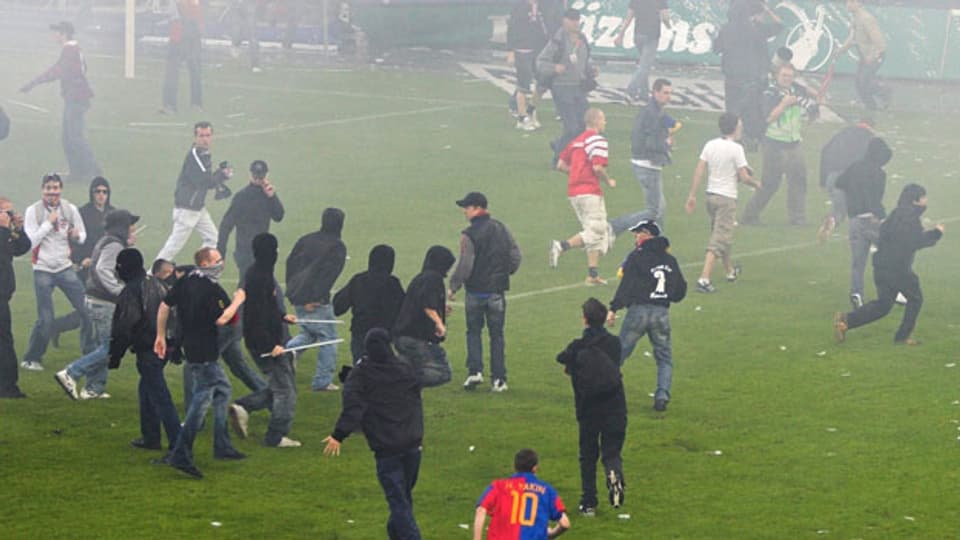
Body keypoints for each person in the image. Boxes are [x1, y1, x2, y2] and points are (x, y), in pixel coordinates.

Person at [323, 328, 424, 540]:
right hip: (412, 443)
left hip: (387, 447)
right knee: (402, 497)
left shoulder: (361, 374)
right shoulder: (405, 368)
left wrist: (338, 435)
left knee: (398, 500)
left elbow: (353, 407)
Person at [155, 247, 246, 479]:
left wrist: (160, 336)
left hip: (191, 347)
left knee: (223, 389)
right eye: (217, 260)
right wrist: (238, 300)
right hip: (205, 352)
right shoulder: (211, 289)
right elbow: (223, 318)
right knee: (201, 400)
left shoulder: (187, 280)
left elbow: (165, 305)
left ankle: (222, 445)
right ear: (205, 263)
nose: (222, 263)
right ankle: (181, 453)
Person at [834, 184, 942, 345]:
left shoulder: (896, 214)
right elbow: (914, 242)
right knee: (916, 299)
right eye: (924, 197)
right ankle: (903, 337)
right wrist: (936, 233)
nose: (926, 200)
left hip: (882, 266)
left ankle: (846, 321)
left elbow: (887, 235)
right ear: (916, 201)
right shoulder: (910, 219)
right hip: (898, 269)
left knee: (883, 305)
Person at [224, 233, 302, 448]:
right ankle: (275, 437)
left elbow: (264, 310)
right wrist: (272, 345)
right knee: (286, 392)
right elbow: (257, 316)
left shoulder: (257, 273)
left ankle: (244, 407)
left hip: (263, 339)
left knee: (281, 387)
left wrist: (282, 317)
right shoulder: (261, 277)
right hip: (266, 343)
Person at [54, 210, 139, 400]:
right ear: (122, 226)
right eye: (130, 224)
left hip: (94, 300)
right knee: (109, 347)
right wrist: (121, 292)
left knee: (103, 346)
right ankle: (71, 373)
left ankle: (94, 388)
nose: (133, 228)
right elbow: (103, 270)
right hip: (104, 302)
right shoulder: (114, 245)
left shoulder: (108, 241)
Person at [556, 298, 626, 517]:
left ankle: (589, 503)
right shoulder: (614, 344)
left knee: (588, 455)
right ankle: (614, 472)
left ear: (584, 319)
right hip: (614, 404)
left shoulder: (576, 347)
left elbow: (562, 361)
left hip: (588, 408)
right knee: (611, 450)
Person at [607, 220, 686, 412]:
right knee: (664, 358)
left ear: (649, 235)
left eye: (638, 233)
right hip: (661, 313)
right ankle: (662, 396)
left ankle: (606, 392)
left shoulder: (636, 256)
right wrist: (668, 297)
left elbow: (626, 285)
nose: (636, 237)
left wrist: (614, 308)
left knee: (619, 354)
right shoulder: (670, 260)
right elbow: (680, 289)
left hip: (638, 312)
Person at [108, 252, 182, 452]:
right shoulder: (157, 283)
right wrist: (176, 347)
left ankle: (178, 444)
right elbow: (174, 314)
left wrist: (115, 355)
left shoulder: (131, 290)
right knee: (147, 390)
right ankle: (151, 437)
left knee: (160, 397)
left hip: (149, 348)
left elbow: (124, 326)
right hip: (166, 346)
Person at [449, 192, 522, 392]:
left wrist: (453, 286)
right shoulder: (501, 228)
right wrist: (506, 272)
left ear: (477, 208)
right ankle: (499, 379)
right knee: (497, 335)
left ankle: (475, 372)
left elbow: (465, 264)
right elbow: (516, 255)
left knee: (473, 332)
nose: (464, 211)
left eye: (467, 207)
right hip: (497, 291)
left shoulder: (468, 234)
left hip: (475, 292)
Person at [22, 173, 90, 371]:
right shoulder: (33, 211)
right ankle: (31, 358)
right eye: (48, 188)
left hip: (65, 267)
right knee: (46, 318)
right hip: (42, 268)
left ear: (61, 189)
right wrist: (47, 224)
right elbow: (30, 242)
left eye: (55, 188)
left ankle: (90, 353)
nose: (52, 192)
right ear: (42, 189)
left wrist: (77, 236)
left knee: (87, 310)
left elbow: (82, 235)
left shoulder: (70, 209)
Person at [684, 113, 759, 293]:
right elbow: (743, 176)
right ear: (734, 128)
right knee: (719, 239)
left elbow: (700, 170)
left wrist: (692, 195)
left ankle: (729, 271)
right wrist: (756, 183)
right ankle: (704, 279)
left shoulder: (710, 145)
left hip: (711, 197)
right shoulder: (736, 149)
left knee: (723, 234)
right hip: (727, 199)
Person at [19, 21, 102, 183]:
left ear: (63, 33)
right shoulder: (72, 49)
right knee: (68, 137)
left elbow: (57, 71)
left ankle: (93, 172)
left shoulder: (70, 49)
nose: (53, 35)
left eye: (55, 32)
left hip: (76, 98)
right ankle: (77, 172)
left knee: (74, 137)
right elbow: (78, 68)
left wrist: (34, 83)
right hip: (75, 97)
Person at [741, 63, 819, 226]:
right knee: (770, 183)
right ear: (777, 76)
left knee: (798, 180)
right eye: (784, 76)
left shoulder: (795, 90)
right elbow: (768, 118)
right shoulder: (770, 93)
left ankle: (797, 218)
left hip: (794, 142)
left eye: (790, 76)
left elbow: (814, 97)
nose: (787, 79)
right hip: (773, 143)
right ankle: (750, 214)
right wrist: (784, 104)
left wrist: (814, 108)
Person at [548, 108, 616, 285]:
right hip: (589, 191)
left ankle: (592, 275)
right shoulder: (598, 140)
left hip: (574, 192)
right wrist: (609, 181)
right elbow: (598, 168)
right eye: (604, 120)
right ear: (596, 121)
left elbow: (560, 165)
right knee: (597, 230)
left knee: (591, 230)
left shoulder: (576, 141)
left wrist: (576, 173)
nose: (605, 123)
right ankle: (562, 246)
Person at [285, 207, 347, 392]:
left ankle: (288, 353)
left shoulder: (306, 239)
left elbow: (290, 263)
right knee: (329, 339)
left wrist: (293, 291)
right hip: (315, 301)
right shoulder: (337, 246)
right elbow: (328, 276)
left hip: (297, 295)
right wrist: (315, 298)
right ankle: (322, 382)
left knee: (309, 333)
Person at [50, 176, 114, 348]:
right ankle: (89, 346)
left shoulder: (113, 214)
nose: (101, 195)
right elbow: (74, 239)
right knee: (88, 309)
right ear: (92, 193)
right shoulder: (82, 213)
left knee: (97, 308)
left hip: (106, 268)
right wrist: (80, 259)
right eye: (97, 191)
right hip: (86, 267)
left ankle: (57, 327)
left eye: (104, 192)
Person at [156, 121, 232, 263]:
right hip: (187, 209)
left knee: (213, 238)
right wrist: (221, 175)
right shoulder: (195, 156)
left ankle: (203, 269)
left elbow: (206, 180)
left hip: (196, 207)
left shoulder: (204, 154)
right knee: (173, 246)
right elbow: (204, 181)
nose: (205, 139)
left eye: (208, 135)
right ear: (195, 138)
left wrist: (220, 175)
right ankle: (151, 275)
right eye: (201, 135)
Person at [609, 78, 674, 237]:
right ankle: (615, 225)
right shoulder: (652, 114)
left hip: (645, 163)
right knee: (654, 211)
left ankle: (657, 242)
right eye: (665, 93)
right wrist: (666, 143)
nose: (669, 97)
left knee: (660, 208)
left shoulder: (652, 111)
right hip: (648, 165)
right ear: (655, 92)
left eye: (670, 93)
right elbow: (651, 143)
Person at [714, 1, 782, 149]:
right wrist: (767, 11)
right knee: (751, 110)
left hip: (732, 76)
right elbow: (778, 26)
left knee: (732, 109)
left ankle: (730, 138)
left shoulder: (726, 29)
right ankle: (753, 139)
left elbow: (716, 48)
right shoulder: (754, 29)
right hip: (751, 77)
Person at [835, 137, 891, 309]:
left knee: (858, 262)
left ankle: (856, 293)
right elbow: (874, 199)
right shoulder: (879, 174)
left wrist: (853, 196)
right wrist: (882, 216)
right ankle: (895, 290)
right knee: (892, 253)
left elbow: (839, 183)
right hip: (871, 220)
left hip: (855, 220)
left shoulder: (855, 167)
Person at [538, 9, 597, 167]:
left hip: (579, 87)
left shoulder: (582, 39)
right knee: (571, 128)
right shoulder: (557, 41)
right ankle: (557, 159)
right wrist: (554, 68)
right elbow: (540, 63)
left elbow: (585, 60)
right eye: (571, 19)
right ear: (564, 21)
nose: (575, 22)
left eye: (577, 19)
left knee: (585, 125)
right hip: (562, 87)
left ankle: (559, 144)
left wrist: (591, 69)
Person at [393, 245, 456, 388]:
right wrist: (439, 323)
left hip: (402, 336)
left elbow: (419, 302)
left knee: (407, 369)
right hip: (416, 337)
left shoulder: (421, 278)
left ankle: (398, 389)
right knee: (442, 372)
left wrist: (441, 309)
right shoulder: (434, 279)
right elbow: (428, 305)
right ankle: (402, 385)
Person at [473, 448, 571, 538]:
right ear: (535, 468)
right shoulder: (547, 490)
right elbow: (565, 523)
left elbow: (481, 510)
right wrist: (551, 534)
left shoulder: (498, 486)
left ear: (515, 466)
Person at [333, 244, 405, 363]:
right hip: (385, 334)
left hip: (361, 332)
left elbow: (338, 306)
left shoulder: (358, 280)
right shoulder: (393, 283)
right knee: (383, 368)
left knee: (361, 367)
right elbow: (404, 309)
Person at [217, 159, 285, 276]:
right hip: (245, 251)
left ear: (266, 175)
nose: (259, 178)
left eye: (261, 175)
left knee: (263, 287)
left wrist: (272, 197)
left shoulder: (267, 195)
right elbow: (226, 226)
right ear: (251, 174)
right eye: (256, 175)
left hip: (262, 250)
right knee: (247, 286)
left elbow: (278, 216)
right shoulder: (241, 197)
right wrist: (220, 253)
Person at [815, 118, 876, 244]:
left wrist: (822, 180)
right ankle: (841, 225)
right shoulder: (869, 139)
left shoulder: (842, 133)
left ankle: (831, 221)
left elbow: (825, 151)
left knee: (839, 207)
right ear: (870, 127)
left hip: (832, 176)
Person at [0, 198, 32, 398]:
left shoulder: (5, 234)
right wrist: (4, 230)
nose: (9, 216)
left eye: (11, 212)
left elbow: (21, 248)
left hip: (3, 294)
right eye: (5, 212)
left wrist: (19, 229)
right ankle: (8, 386)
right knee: (5, 340)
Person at [835, 0, 889, 111]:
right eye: (847, 2)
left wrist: (872, 55)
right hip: (865, 56)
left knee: (863, 82)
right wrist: (840, 50)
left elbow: (879, 41)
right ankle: (872, 106)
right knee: (859, 83)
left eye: (852, 1)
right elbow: (852, 38)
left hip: (876, 55)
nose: (848, 4)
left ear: (859, 3)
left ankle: (884, 92)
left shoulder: (866, 18)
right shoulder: (856, 17)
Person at [613, 0, 670, 103]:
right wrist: (668, 26)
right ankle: (630, 92)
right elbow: (665, 17)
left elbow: (628, 18)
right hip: (652, 36)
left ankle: (644, 94)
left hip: (638, 35)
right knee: (644, 67)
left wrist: (621, 34)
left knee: (644, 65)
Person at [506, 0, 549, 130]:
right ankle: (521, 117)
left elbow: (543, 28)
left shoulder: (542, 6)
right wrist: (511, 50)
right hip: (522, 49)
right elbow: (512, 28)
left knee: (543, 82)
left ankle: (530, 109)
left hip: (538, 49)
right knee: (523, 84)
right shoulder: (519, 6)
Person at [161, 0, 203, 114]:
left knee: (173, 71)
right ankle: (196, 104)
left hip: (182, 31)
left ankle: (170, 105)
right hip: (189, 30)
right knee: (193, 70)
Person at [229, 0, 265, 73]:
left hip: (249, 4)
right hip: (237, 5)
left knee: (253, 35)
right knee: (237, 31)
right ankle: (236, 44)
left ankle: (255, 64)